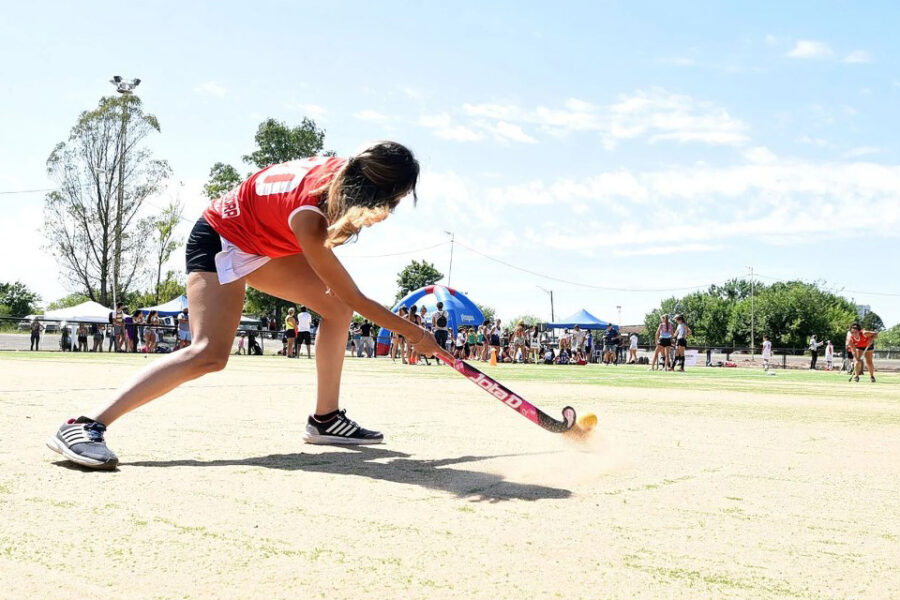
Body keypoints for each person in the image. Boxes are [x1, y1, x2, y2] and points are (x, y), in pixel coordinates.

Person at [47, 141, 448, 470]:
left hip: (261, 240)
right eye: (389, 204)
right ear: (370, 193)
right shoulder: (310, 216)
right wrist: (413, 332)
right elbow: (353, 296)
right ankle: (85, 425)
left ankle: (325, 418)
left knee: (335, 312)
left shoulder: (347, 173)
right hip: (221, 239)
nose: (387, 214)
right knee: (208, 353)